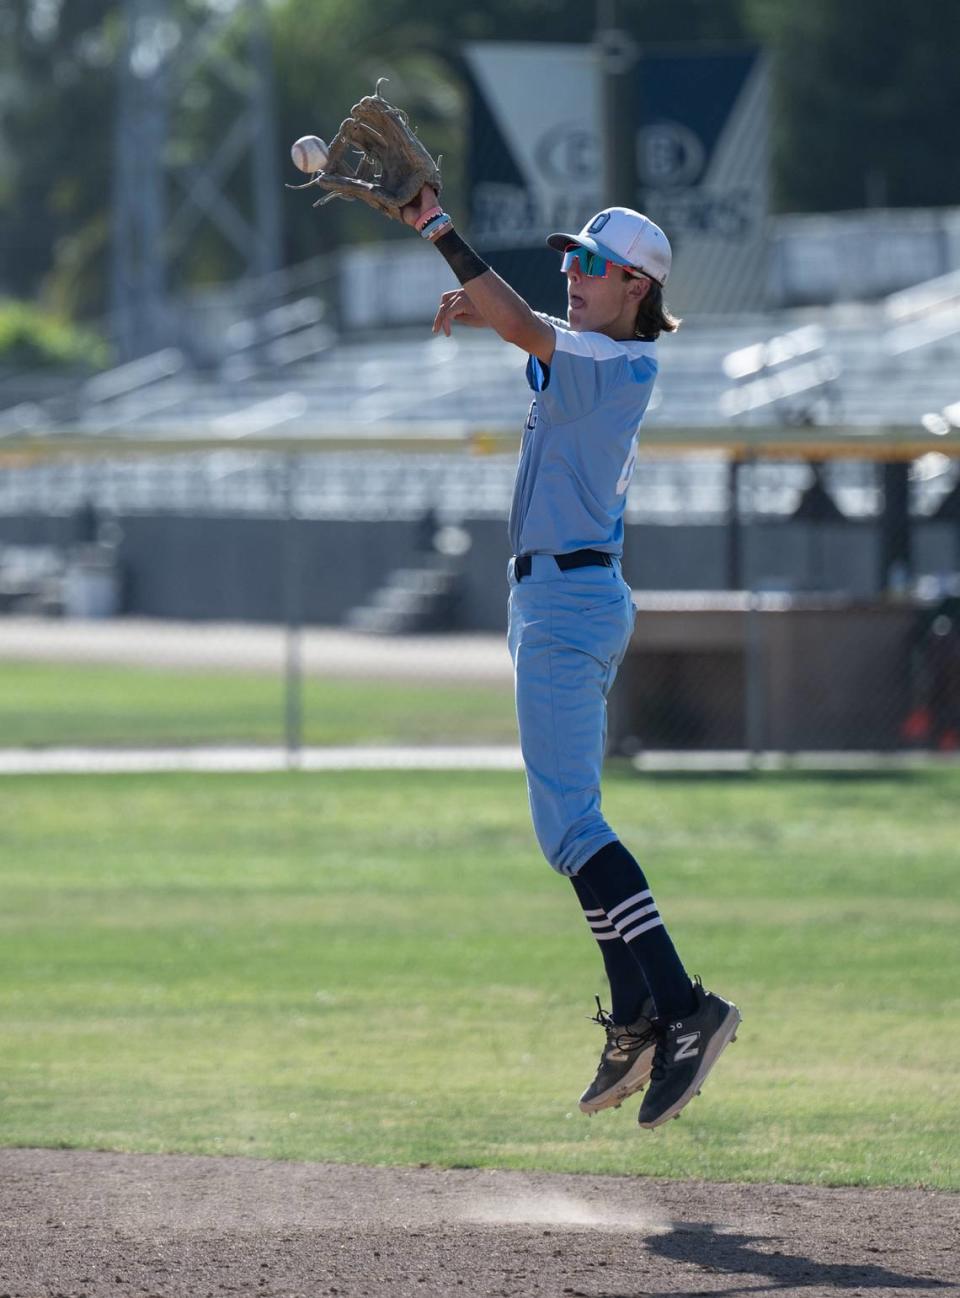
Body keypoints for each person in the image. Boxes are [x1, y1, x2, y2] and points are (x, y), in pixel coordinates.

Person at [400, 185, 741, 1129]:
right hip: (558, 596)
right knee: (569, 829)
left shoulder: (610, 363)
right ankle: (637, 1012)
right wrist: (489, 301)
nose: (572, 273)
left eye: (589, 264)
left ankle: (679, 1008)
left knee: (574, 834)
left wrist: (438, 229)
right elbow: (529, 324)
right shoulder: (600, 357)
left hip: (566, 600)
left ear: (636, 286)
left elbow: (528, 326)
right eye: (568, 260)